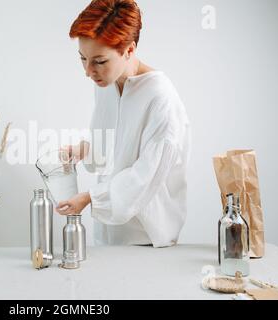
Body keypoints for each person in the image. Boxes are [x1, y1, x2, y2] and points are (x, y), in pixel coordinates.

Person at [56, 0, 191, 248]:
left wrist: (89, 198)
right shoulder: (108, 85)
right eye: (82, 59)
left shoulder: (161, 98)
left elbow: (145, 175)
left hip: (147, 239)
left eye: (99, 61)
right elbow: (112, 146)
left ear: (129, 50)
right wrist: (81, 151)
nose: (88, 71)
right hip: (109, 235)